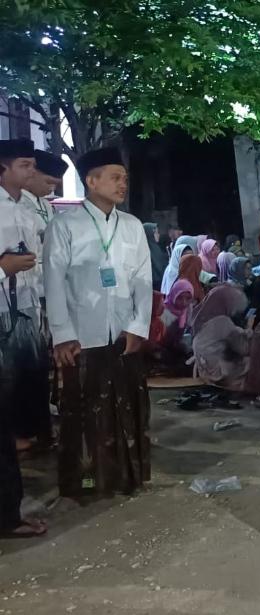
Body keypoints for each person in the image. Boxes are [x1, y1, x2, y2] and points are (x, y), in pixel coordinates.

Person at [45, 147, 153, 503]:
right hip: (82, 334)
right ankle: (88, 484)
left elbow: (142, 280)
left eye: (125, 178)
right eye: (115, 177)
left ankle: (125, 477)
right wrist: (62, 334)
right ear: (91, 181)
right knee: (84, 412)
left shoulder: (132, 226)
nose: (123, 184)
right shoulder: (65, 225)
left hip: (123, 333)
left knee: (127, 407)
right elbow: (53, 282)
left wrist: (138, 326)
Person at [0, 138, 49, 537]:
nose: (32, 171)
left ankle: (10, 513)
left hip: (25, 316)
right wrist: (4, 268)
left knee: (15, 413)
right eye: (25, 165)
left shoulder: (28, 208)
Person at [143, 223, 169, 291]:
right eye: (155, 232)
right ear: (148, 234)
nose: (158, 234)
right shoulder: (144, 251)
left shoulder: (157, 248)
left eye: (158, 232)